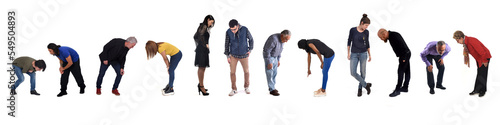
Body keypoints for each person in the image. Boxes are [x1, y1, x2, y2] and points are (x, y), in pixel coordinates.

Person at [453, 30, 491, 97]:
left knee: (483, 74)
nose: (457, 42)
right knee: (479, 74)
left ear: (461, 38)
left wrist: (484, 60)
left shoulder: (471, 41)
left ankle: (482, 90)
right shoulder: (466, 42)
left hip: (484, 57)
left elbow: (482, 51)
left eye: (457, 40)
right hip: (479, 58)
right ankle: (477, 89)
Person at [377, 29, 411, 97]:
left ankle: (397, 90)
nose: (381, 39)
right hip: (405, 54)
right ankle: (405, 87)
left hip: (404, 54)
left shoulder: (393, 36)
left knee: (400, 72)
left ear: (384, 34)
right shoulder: (391, 36)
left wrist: (404, 57)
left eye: (381, 37)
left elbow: (402, 45)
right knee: (406, 71)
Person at [224, 19, 254, 96]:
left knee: (246, 71)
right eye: (231, 30)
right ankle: (234, 89)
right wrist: (228, 55)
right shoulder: (228, 32)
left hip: (244, 55)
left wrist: (250, 50)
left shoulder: (245, 29)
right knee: (232, 72)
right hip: (233, 55)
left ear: (237, 26)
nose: (233, 31)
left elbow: (251, 39)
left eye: (234, 29)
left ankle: (246, 87)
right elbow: (226, 44)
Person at [347, 14, 372, 97]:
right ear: (362, 23)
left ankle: (360, 88)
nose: (367, 27)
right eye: (366, 25)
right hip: (354, 54)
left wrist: (369, 54)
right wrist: (348, 53)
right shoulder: (353, 30)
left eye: (367, 26)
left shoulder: (366, 32)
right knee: (353, 72)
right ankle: (366, 85)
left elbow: (367, 43)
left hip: (363, 54)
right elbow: (349, 41)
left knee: (363, 72)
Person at [263, 30, 291, 96]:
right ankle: (271, 89)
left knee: (274, 73)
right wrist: (269, 62)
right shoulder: (273, 39)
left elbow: (280, 50)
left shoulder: (282, 39)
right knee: (270, 73)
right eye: (286, 39)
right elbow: (267, 51)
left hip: (275, 57)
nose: (286, 41)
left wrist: (278, 60)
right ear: (282, 35)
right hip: (269, 57)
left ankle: (273, 87)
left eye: (288, 40)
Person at [193, 15, 214, 96]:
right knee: (201, 67)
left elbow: (197, 36)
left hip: (203, 50)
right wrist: (205, 44)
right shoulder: (203, 26)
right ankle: (201, 86)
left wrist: (205, 45)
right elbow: (196, 37)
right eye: (211, 22)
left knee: (203, 67)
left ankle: (201, 84)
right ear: (208, 20)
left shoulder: (203, 26)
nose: (211, 24)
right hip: (201, 50)